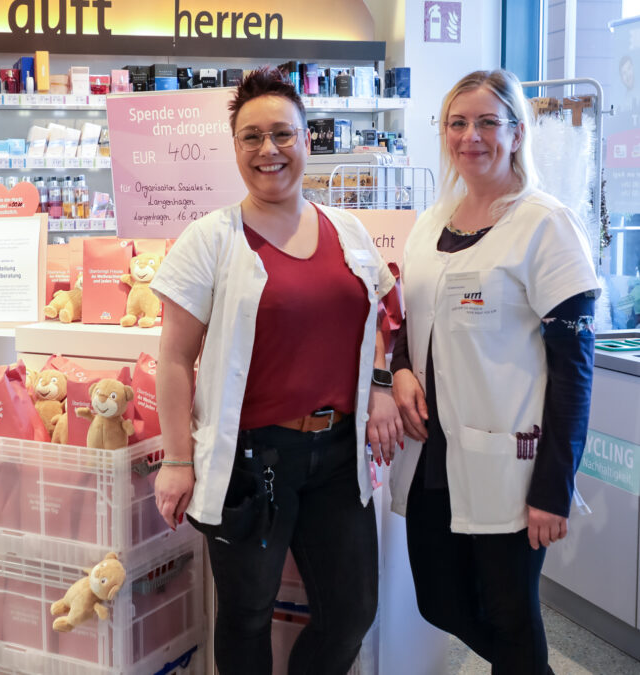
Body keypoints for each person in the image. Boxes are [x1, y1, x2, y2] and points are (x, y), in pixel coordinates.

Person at [151, 66, 402, 675]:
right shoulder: (210, 239)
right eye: (252, 137)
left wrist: (381, 384)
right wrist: (178, 459)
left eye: (283, 134)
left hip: (339, 455)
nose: (269, 149)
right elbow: (176, 358)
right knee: (247, 615)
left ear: (306, 139)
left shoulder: (347, 230)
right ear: (235, 147)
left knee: (352, 612)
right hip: (251, 461)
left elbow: (379, 315)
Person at [389, 69, 599, 675]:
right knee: (439, 602)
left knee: (511, 616)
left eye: (487, 122)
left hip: (511, 462)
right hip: (432, 458)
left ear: (516, 133)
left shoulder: (545, 224)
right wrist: (400, 370)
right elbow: (412, 320)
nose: (470, 136)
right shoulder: (431, 223)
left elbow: (574, 372)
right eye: (458, 123)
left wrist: (553, 488)